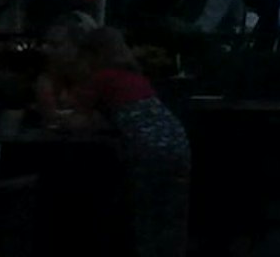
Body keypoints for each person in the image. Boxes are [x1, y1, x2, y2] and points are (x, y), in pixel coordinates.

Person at [40, 21, 191, 257]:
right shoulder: (136, 77)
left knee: (145, 214)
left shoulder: (102, 78)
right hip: (177, 142)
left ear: (92, 55)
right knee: (171, 214)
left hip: (146, 149)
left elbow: (80, 119)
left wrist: (57, 118)